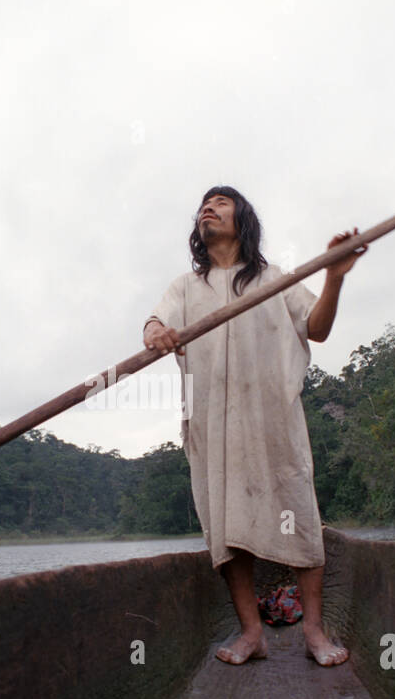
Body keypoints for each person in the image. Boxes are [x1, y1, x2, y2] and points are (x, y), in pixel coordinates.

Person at [142, 186, 363, 667]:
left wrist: (334, 277)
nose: (208, 208)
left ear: (242, 219)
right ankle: (252, 634)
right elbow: (155, 324)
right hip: (214, 428)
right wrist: (157, 334)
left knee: (299, 513)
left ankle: (314, 633)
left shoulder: (275, 278)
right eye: (204, 204)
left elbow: (317, 328)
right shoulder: (186, 287)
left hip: (272, 419)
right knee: (226, 526)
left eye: (220, 203)